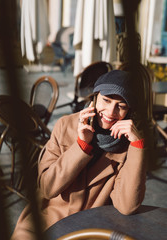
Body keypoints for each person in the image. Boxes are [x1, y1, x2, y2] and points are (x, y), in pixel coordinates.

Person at [11, 70, 147, 240]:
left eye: (121, 106)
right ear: (95, 97)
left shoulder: (128, 144)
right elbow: (47, 187)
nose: (111, 112)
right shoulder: (65, 125)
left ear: (129, 111)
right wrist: (81, 146)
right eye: (106, 100)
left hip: (89, 228)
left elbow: (127, 206)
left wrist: (137, 145)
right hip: (47, 219)